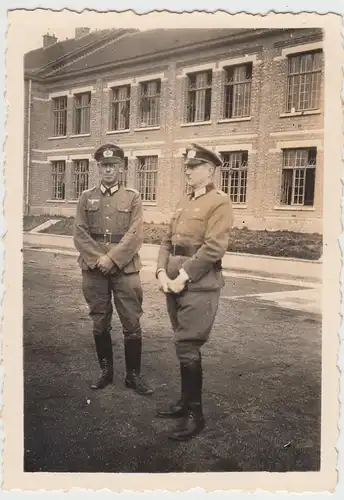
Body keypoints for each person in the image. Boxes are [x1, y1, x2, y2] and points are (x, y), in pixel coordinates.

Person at [155, 143, 233, 441]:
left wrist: (182, 277)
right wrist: (162, 273)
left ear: (210, 170)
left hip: (199, 285)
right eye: (186, 167)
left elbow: (214, 247)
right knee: (181, 343)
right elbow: (165, 241)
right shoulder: (183, 201)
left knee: (188, 345)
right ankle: (186, 402)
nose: (187, 171)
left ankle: (194, 415)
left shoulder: (219, 202)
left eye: (193, 167)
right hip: (172, 283)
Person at [73, 143, 153, 396]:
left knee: (131, 321)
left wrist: (113, 259)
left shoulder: (133, 197)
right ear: (98, 168)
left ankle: (133, 376)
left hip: (125, 269)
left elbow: (135, 234)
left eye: (113, 166)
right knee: (99, 320)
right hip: (94, 269)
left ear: (122, 168)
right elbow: (79, 233)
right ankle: (106, 372)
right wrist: (100, 259)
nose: (108, 170)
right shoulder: (86, 197)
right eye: (104, 166)